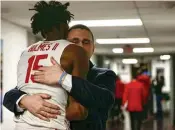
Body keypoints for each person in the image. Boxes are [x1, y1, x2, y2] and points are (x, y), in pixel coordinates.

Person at [3, 24, 116, 130]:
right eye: (74, 41)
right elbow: (10, 96)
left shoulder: (103, 74)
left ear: (93, 48)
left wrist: (64, 78)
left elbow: (105, 99)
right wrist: (24, 100)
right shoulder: (49, 70)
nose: (80, 46)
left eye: (86, 42)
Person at [5, 1, 89, 130]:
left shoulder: (25, 53)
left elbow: (18, 90)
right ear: (63, 26)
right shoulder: (75, 51)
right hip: (53, 125)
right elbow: (77, 110)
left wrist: (24, 100)